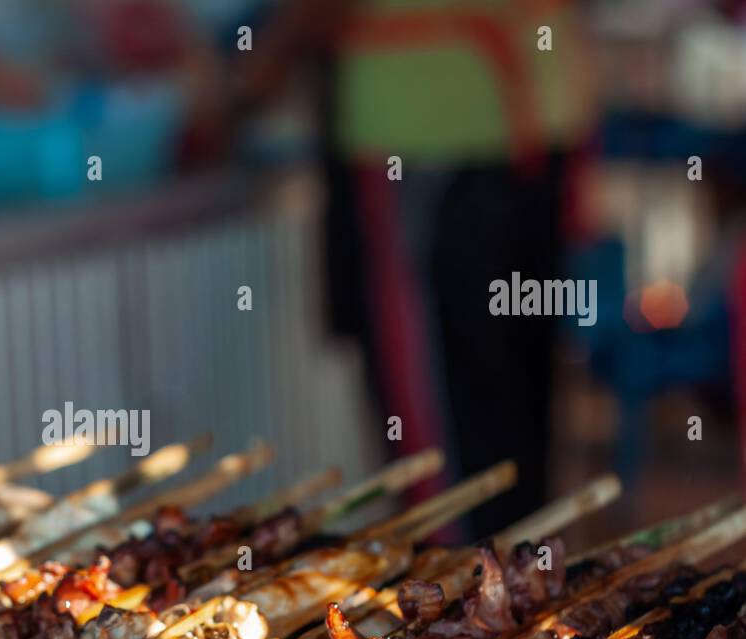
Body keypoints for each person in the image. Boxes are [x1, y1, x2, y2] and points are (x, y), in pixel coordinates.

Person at [201, 0, 597, 536]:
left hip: (424, 135)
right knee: (511, 434)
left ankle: (473, 602)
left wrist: (244, 83)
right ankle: (520, 591)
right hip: (528, 121)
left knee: (448, 469)